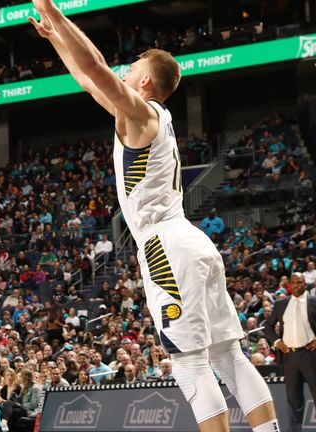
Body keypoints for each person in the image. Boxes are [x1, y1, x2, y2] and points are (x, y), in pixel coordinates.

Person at [28, 3, 279, 431]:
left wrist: (55, 11)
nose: (123, 71)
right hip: (191, 239)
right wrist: (55, 39)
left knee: (189, 364)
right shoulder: (144, 118)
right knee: (228, 356)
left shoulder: (141, 113)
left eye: (131, 67)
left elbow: (95, 64)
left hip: (165, 246)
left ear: (144, 81)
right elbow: (89, 79)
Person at [263, 273, 316, 432]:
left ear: (305, 284)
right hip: (290, 357)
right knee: (294, 401)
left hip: (310, 355)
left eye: (299, 282)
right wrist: (278, 342)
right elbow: (268, 326)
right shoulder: (281, 304)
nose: (295, 285)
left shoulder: (314, 301)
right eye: (292, 283)